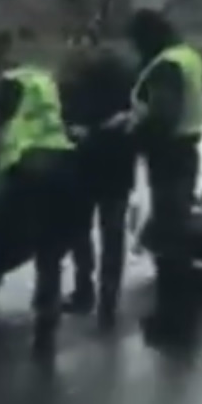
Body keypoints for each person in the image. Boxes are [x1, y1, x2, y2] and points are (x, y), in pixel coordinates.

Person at [0, 29, 84, 357]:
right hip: (64, 167)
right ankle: (47, 324)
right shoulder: (40, 79)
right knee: (50, 253)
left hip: (30, 172)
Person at [122, 9, 202, 348]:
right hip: (185, 153)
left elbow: (162, 117)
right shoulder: (186, 55)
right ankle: (181, 313)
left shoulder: (166, 67)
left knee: (170, 241)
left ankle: (173, 319)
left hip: (169, 156)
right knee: (174, 234)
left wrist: (130, 136)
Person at [56, 22, 137, 329]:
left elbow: (65, 117)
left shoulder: (72, 79)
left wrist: (80, 132)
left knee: (84, 231)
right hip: (114, 162)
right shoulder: (124, 74)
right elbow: (130, 117)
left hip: (86, 162)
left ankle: (87, 292)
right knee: (108, 234)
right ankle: (105, 299)